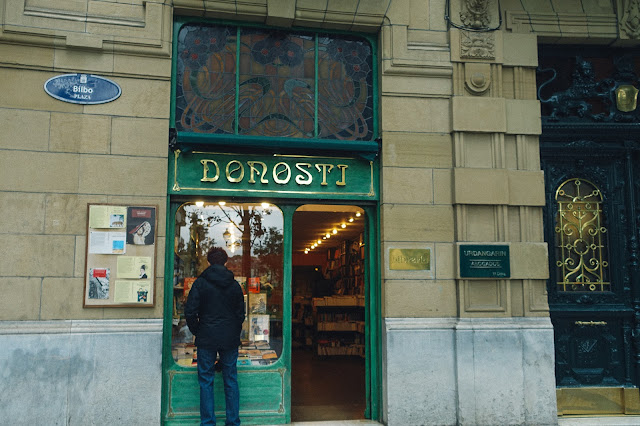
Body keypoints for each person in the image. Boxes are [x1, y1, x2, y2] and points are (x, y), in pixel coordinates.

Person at [185, 247, 245, 426]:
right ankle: (233, 421)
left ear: (209, 261)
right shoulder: (234, 285)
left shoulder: (200, 283)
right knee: (231, 379)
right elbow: (241, 314)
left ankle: (208, 422)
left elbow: (190, 312)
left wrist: (198, 330)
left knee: (206, 380)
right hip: (229, 338)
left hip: (206, 338)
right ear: (225, 262)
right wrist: (234, 331)